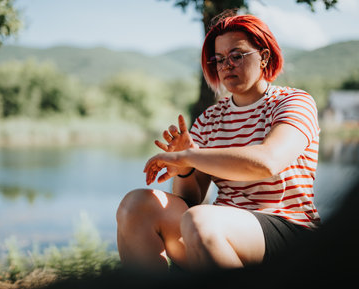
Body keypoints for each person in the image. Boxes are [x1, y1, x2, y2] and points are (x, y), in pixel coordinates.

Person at [116, 11, 320, 272]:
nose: (226, 66)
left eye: (237, 56)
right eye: (219, 59)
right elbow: (189, 199)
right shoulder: (210, 118)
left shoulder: (293, 102)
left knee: (199, 220)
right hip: (217, 229)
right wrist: (186, 170)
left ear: (264, 57)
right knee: (136, 205)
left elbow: (267, 162)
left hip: (287, 229)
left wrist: (189, 157)